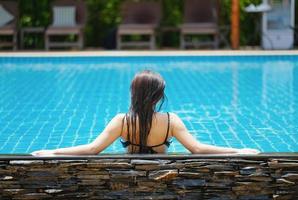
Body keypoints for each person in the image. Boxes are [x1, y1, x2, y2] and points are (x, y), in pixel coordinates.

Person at [31, 70, 260, 156]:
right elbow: (197, 149)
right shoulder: (171, 121)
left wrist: (53, 151)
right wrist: (238, 150)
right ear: (158, 97)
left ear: (133, 94)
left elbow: (92, 149)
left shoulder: (122, 121)